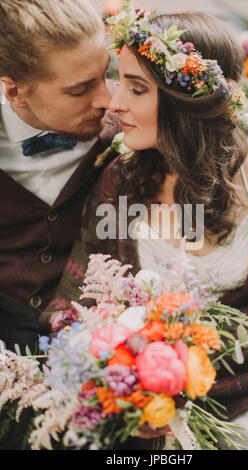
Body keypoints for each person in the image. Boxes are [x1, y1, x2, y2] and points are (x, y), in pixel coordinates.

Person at [40, 3, 248, 449]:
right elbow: (73, 303)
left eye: (137, 88)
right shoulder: (119, 178)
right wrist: (118, 375)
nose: (114, 102)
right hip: (133, 398)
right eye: (119, 80)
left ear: (189, 103)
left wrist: (183, 382)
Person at [0, 0, 121, 353]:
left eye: (104, 74)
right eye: (80, 89)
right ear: (14, 92)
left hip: (80, 336)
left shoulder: (130, 124)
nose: (106, 100)